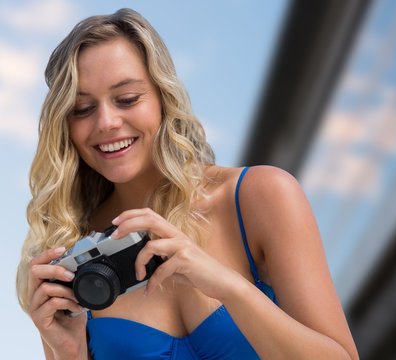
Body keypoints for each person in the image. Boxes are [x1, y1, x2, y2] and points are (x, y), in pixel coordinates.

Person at [16, 8, 358, 360]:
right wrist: (68, 352)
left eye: (128, 99)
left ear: (163, 98)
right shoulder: (70, 261)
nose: (106, 122)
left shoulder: (259, 196)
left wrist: (226, 285)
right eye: (82, 108)